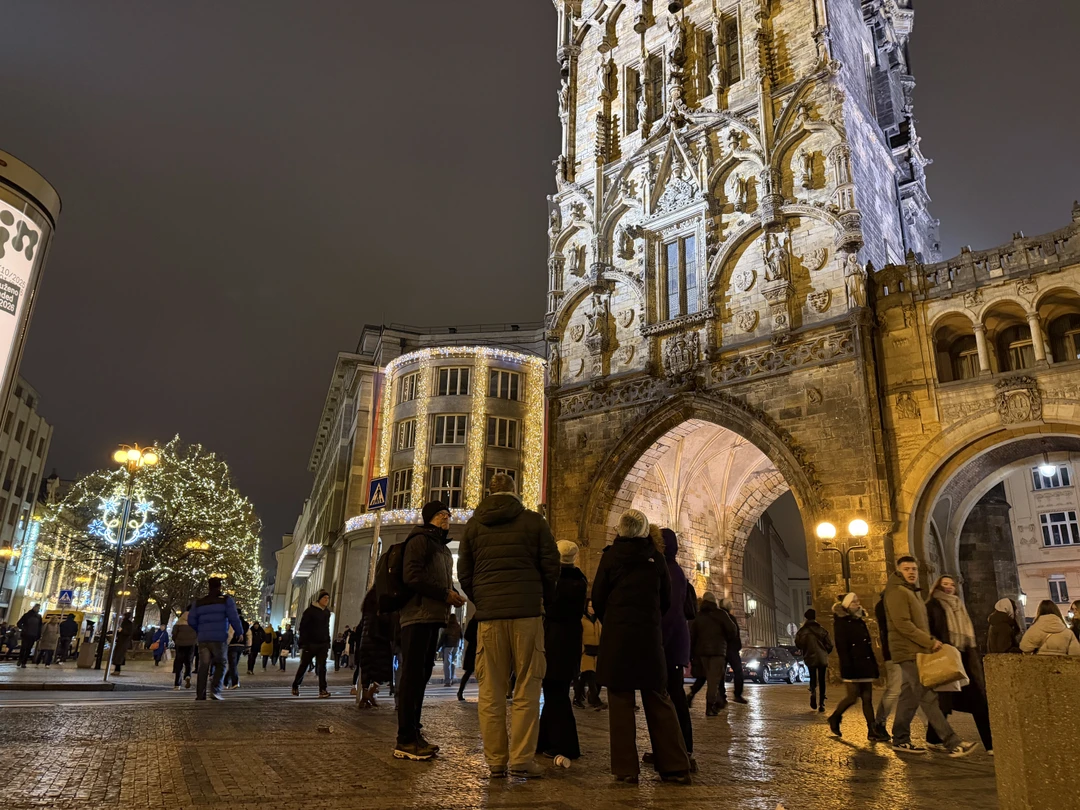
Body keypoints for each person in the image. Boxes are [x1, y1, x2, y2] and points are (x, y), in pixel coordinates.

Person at [458, 475, 560, 778]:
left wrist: (484, 601)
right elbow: (550, 564)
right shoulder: (534, 521)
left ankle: (496, 761)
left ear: (490, 492)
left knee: (490, 691)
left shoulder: (474, 526)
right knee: (527, 687)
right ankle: (521, 759)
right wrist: (543, 599)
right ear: (515, 492)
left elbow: (465, 573)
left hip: (489, 619)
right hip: (527, 615)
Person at [592, 509, 691, 785]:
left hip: (617, 640)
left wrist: (612, 620)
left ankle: (625, 769)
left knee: (621, 703)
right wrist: (649, 620)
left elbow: (598, 597)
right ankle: (674, 766)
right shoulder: (656, 559)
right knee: (658, 699)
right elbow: (666, 599)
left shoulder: (610, 557)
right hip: (648, 638)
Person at [392, 501, 464, 761]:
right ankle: (405, 739)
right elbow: (412, 577)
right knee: (412, 677)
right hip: (417, 617)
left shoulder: (440, 546)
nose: (447, 517)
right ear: (430, 518)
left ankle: (414, 733)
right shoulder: (420, 540)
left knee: (420, 677)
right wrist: (445, 594)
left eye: (447, 514)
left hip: (432, 617)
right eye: (441, 514)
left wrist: (450, 594)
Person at [884, 556, 976, 757]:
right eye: (907, 569)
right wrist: (929, 641)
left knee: (909, 695)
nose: (911, 572)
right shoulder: (897, 592)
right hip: (907, 650)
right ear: (898, 571)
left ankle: (900, 738)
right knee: (927, 695)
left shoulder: (910, 592)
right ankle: (952, 742)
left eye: (914, 569)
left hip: (916, 651)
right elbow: (903, 624)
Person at [925, 575, 993, 753]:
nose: (949, 587)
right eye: (944, 584)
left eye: (952, 585)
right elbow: (928, 630)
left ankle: (991, 745)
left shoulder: (959, 605)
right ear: (937, 587)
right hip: (946, 658)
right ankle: (933, 739)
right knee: (945, 704)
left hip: (964, 658)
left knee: (978, 702)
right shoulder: (932, 605)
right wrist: (934, 643)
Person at [537, 540, 588, 761]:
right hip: (571, 640)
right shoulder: (580, 580)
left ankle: (566, 745)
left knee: (555, 693)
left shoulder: (554, 581)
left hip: (554, 640)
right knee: (556, 691)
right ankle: (544, 740)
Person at [827, 593, 886, 741]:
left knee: (867, 698)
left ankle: (872, 731)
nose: (857, 603)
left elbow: (868, 645)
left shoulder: (860, 620)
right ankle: (835, 717)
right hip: (852, 666)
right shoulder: (841, 622)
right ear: (846, 605)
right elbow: (842, 646)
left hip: (865, 665)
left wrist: (874, 665)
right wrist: (846, 666)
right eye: (853, 601)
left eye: (858, 601)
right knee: (852, 697)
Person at [186, 578, 244, 701]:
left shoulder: (199, 602)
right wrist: (239, 632)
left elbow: (191, 620)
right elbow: (234, 618)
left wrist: (200, 629)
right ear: (220, 586)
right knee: (221, 663)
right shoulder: (226, 601)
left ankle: (200, 695)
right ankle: (215, 690)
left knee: (203, 666)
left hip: (203, 639)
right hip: (219, 638)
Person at [690, 592, 729, 715]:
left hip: (702, 653)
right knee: (714, 680)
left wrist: (692, 653)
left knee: (707, 678)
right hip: (718, 652)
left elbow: (692, 635)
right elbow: (732, 630)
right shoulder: (721, 614)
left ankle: (712, 702)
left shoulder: (698, 616)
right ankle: (710, 706)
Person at [357, 587, 393, 708]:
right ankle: (371, 693)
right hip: (377, 641)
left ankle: (366, 694)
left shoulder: (366, 606)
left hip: (365, 641)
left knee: (366, 670)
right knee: (384, 670)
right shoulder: (381, 605)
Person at [292, 590, 334, 697]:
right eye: (324, 598)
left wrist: (327, 641)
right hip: (310, 644)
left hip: (322, 644)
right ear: (319, 599)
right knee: (304, 665)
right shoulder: (310, 611)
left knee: (322, 667)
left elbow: (326, 628)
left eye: (328, 598)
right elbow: (303, 627)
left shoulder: (327, 612)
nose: (326, 600)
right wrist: (303, 643)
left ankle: (323, 690)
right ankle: (296, 685)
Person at [795, 607, 833, 712]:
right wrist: (825, 652)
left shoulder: (802, 631)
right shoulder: (822, 630)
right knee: (822, 679)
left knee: (812, 676)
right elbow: (830, 645)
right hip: (822, 657)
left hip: (809, 657)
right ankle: (822, 703)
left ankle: (813, 691)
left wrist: (806, 648)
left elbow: (798, 644)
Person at [575, 601, 604, 709]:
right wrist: (582, 649)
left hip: (596, 652)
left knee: (585, 677)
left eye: (593, 606)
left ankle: (578, 698)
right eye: (590, 606)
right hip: (586, 652)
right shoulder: (582, 620)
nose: (591, 609)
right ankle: (595, 699)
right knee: (590, 675)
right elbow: (579, 635)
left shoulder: (597, 621)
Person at [172, 611, 197, 689]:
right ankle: (188, 675)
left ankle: (177, 684)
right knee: (189, 662)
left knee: (179, 663)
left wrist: (176, 641)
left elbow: (174, 633)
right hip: (191, 645)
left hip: (180, 645)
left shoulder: (179, 622)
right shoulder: (195, 622)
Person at [456, 615, 479, 701]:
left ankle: (460, 692)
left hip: (473, 648)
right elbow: (467, 636)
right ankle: (460, 692)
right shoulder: (475, 621)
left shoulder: (473, 621)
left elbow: (467, 636)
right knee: (469, 672)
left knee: (468, 672)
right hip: (474, 649)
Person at [225, 612, 249, 690]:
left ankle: (235, 682)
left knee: (232, 665)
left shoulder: (232, 622)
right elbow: (249, 635)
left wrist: (226, 644)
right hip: (241, 646)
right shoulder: (245, 624)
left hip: (232, 645)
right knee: (234, 665)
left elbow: (230, 634)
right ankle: (225, 682)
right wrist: (248, 646)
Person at [437, 614, 463, 686]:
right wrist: (460, 646)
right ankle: (452, 678)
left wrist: (437, 648)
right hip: (456, 646)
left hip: (448, 646)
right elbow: (461, 637)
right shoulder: (458, 627)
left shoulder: (447, 627)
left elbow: (442, 639)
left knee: (447, 663)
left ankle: (447, 681)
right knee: (452, 663)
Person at [16, 604, 42, 668]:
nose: (37, 609)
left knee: (28, 649)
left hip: (33, 635)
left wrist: (38, 635)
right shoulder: (27, 615)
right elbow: (19, 623)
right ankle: (20, 659)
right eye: (37, 608)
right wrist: (24, 629)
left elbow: (40, 627)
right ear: (34, 607)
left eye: (38, 608)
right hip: (26, 634)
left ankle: (24, 662)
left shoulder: (39, 617)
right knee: (23, 648)